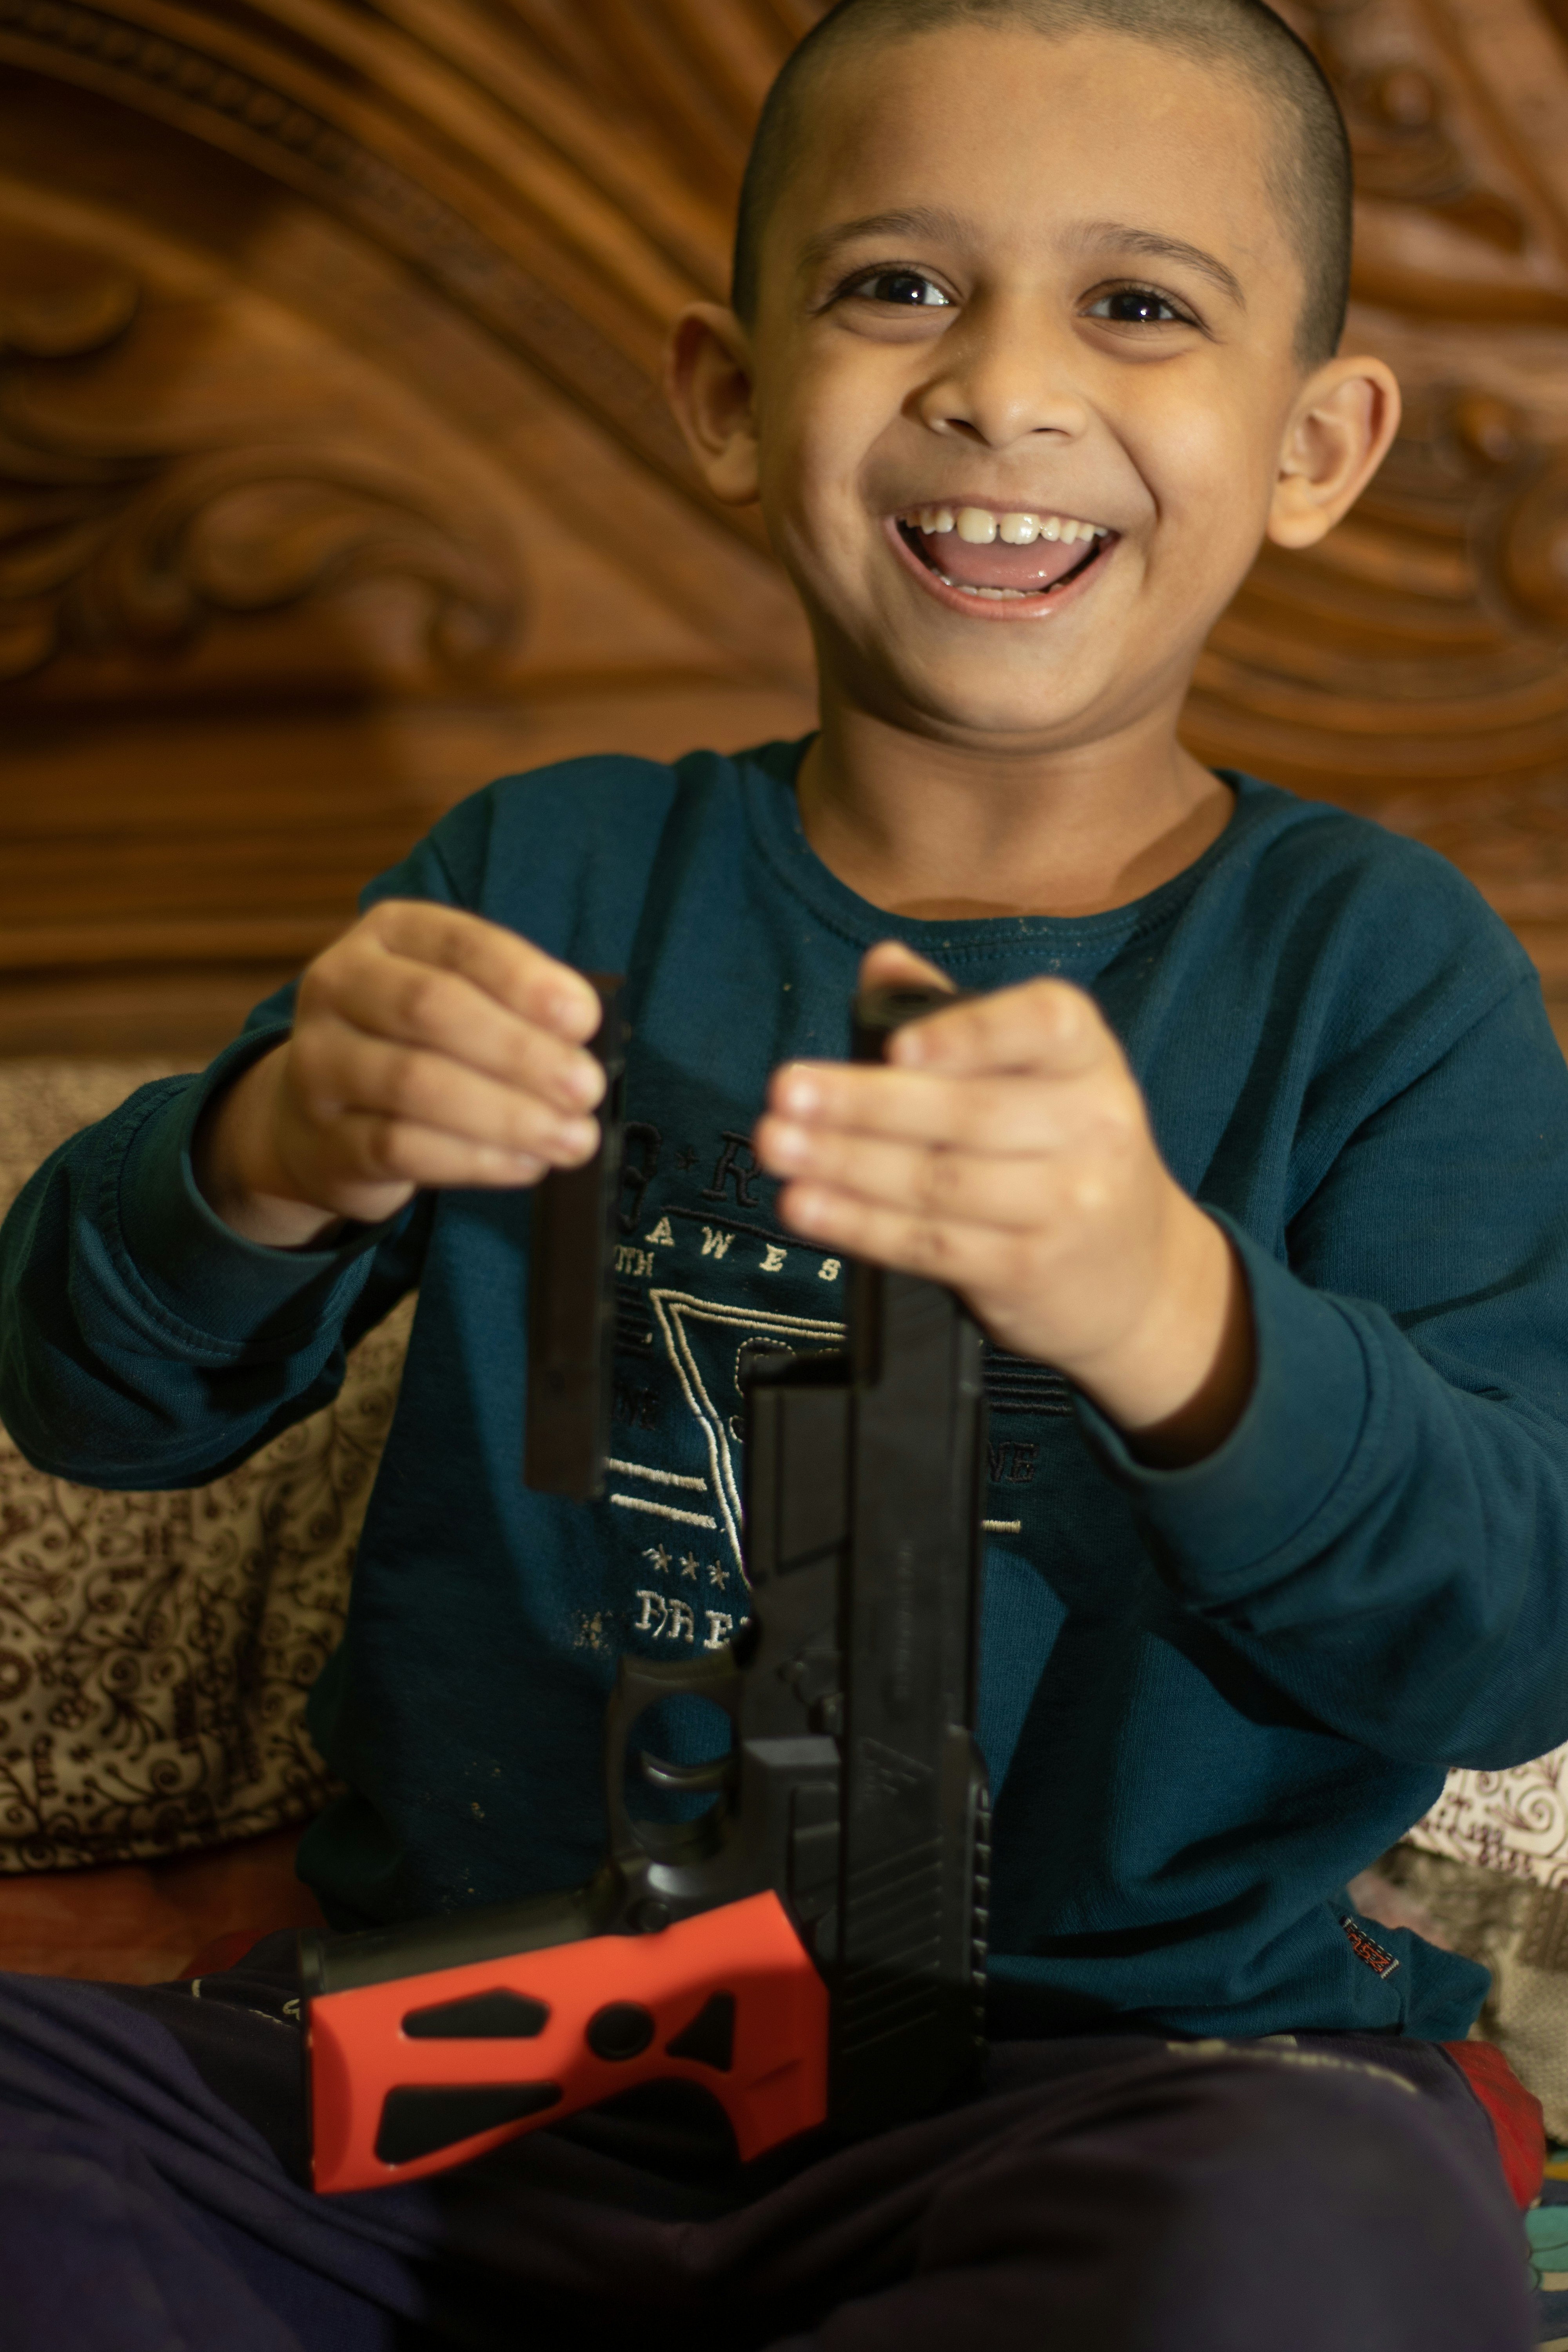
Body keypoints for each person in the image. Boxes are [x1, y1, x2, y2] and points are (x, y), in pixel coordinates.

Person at [0, 1, 1562, 2344]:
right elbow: (87, 1397)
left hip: (1101, 2096)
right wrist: (265, 1154)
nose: (1001, 387)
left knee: (1326, 2238)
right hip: (462, 2080)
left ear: (1319, 443)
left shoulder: (1379, 973)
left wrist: (1173, 1316)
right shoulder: (547, 871)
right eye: (897, 287)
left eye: (1138, 305)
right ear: (730, 398)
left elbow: (1509, 1627)